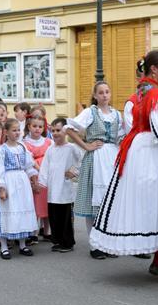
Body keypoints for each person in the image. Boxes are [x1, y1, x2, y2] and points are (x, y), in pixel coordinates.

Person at [89, 51, 158, 283]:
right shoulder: (154, 92)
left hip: (144, 148)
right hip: (154, 150)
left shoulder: (144, 89)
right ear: (153, 68)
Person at [66, 80, 124, 259]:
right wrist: (86, 146)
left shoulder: (117, 115)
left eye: (107, 92)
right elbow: (69, 129)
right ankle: (94, 244)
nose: (105, 95)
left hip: (112, 158)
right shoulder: (90, 112)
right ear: (95, 95)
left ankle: (107, 242)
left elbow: (121, 137)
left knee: (110, 202)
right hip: (95, 158)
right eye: (101, 92)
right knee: (94, 202)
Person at [0, 118, 39, 259]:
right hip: (9, 182)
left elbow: (28, 165)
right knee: (7, 211)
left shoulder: (22, 147)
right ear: (6, 132)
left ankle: (22, 244)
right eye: (14, 130)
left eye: (18, 130)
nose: (17, 133)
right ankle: (4, 246)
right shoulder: (2, 150)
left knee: (22, 210)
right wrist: (2, 188)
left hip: (22, 183)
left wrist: (33, 178)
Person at [38, 117, 82, 252]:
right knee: (54, 215)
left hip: (65, 188)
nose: (55, 133)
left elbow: (80, 162)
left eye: (59, 130)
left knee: (65, 217)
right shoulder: (51, 149)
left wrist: (74, 172)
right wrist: (42, 182)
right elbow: (45, 166)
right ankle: (57, 240)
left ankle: (67, 242)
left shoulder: (72, 148)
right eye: (53, 130)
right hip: (52, 189)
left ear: (66, 131)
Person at [23, 114, 52, 242]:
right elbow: (28, 160)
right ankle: (33, 232)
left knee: (46, 202)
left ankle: (47, 231)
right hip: (33, 174)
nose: (37, 129)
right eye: (34, 126)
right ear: (29, 126)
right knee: (33, 204)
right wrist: (38, 170)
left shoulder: (48, 142)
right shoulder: (24, 143)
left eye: (40, 127)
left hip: (46, 175)